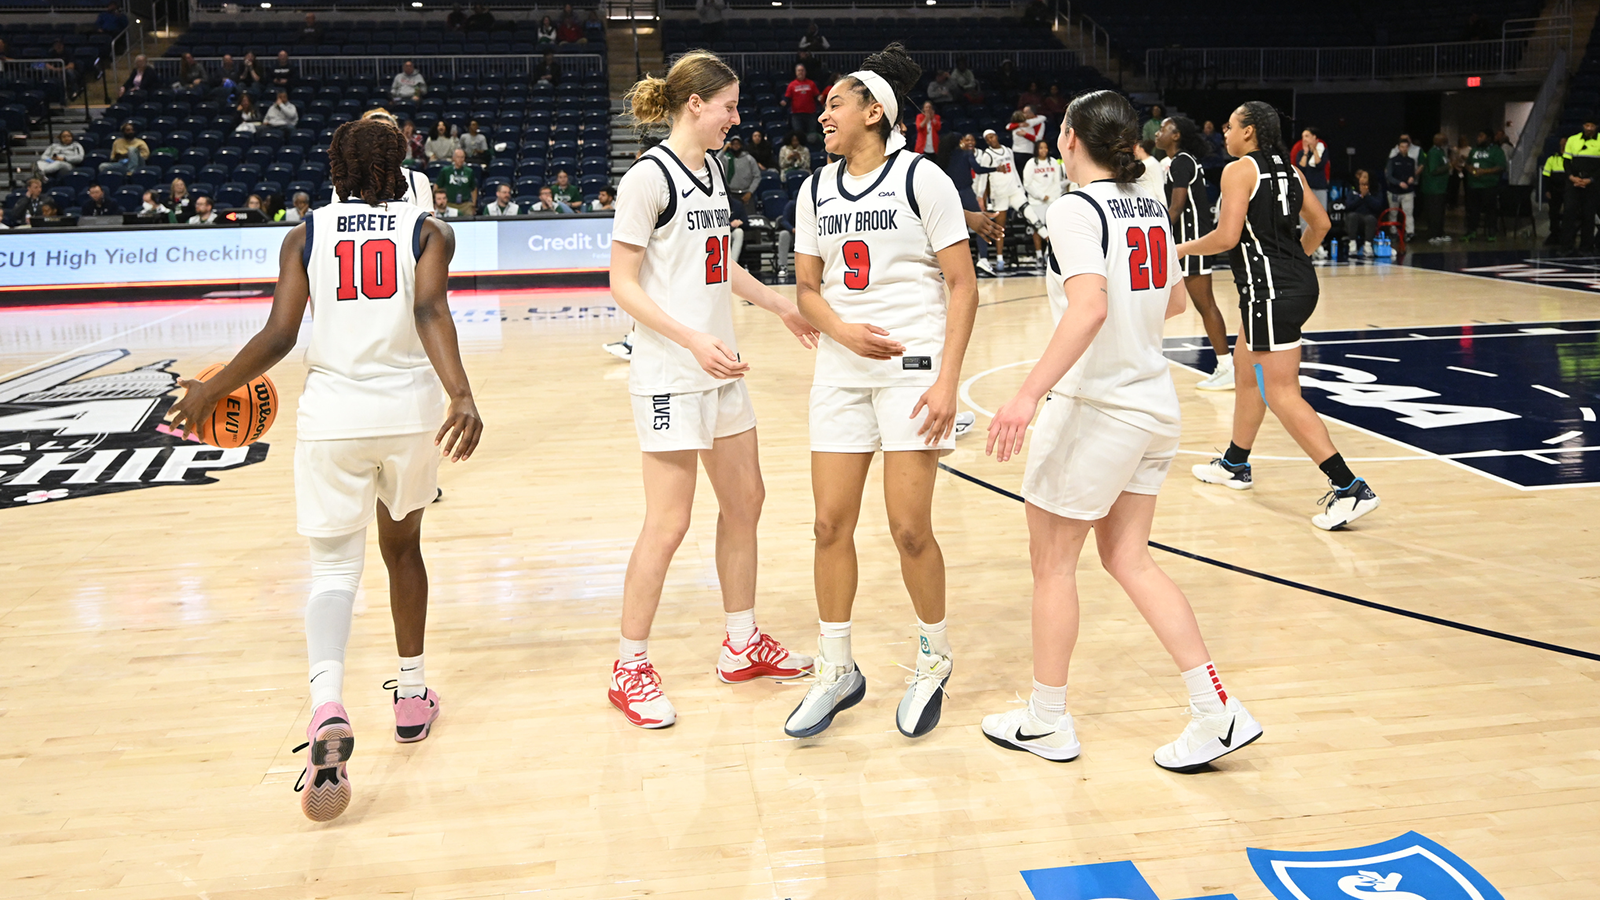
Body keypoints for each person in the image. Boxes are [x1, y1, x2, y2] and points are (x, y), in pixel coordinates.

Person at [167, 117, 481, 823]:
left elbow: (280, 334)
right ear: (401, 164)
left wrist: (210, 392)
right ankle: (410, 694)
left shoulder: (305, 235)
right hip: (409, 415)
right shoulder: (428, 231)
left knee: (335, 572)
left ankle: (327, 703)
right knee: (404, 548)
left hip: (334, 418)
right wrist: (461, 392)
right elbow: (431, 309)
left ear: (334, 168)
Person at [979, 88, 1262, 772]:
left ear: (1070, 138)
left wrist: (1025, 394)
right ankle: (1216, 710)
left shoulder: (1074, 209)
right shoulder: (1147, 202)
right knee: (1128, 559)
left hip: (1096, 409)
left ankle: (1047, 720)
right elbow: (1167, 302)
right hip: (1153, 404)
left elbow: (1088, 309)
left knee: (1053, 567)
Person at [607, 50, 820, 729]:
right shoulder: (649, 177)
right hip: (673, 372)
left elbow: (718, 264)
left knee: (747, 500)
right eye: (727, 106)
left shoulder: (715, 171)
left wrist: (777, 304)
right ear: (693, 104)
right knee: (668, 523)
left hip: (720, 368)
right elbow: (621, 284)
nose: (736, 117)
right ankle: (629, 665)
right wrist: (692, 339)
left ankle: (740, 641)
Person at [782, 43, 978, 741]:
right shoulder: (812, 189)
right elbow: (805, 289)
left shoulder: (923, 179)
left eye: (834, 103)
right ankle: (837, 668)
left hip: (913, 369)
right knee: (828, 525)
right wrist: (839, 328)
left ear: (875, 111)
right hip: (840, 368)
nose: (821, 113)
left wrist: (950, 379)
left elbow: (963, 284)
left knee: (908, 527)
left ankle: (933, 656)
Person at [1178, 101, 1380, 530]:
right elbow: (1321, 224)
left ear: (1249, 131)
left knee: (1282, 392)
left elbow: (1226, 236)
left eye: (1230, 127)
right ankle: (1235, 463)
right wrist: (1293, 266)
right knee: (1245, 369)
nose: (1225, 135)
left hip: (1271, 294)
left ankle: (1349, 489)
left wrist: (1177, 250)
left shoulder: (1239, 171)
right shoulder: (1291, 171)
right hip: (1290, 287)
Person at [1156, 115, 1232, 390]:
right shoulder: (1180, 162)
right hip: (1186, 244)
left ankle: (1227, 366)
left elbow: (1176, 207)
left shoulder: (1182, 161)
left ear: (1176, 136)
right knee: (1163, 303)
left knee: (1205, 304)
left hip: (1191, 244)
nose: (1158, 133)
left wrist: (1158, 239)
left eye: (1164, 129)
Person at [979, 128, 1026, 270]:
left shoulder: (1008, 150)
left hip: (1013, 189)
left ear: (996, 136)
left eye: (992, 137)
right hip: (999, 193)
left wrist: (1020, 187)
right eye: (987, 139)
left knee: (1030, 216)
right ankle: (1000, 259)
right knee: (1000, 227)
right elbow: (983, 177)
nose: (990, 140)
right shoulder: (987, 155)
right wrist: (981, 195)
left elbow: (1014, 170)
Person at [1022, 139, 1065, 264]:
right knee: (1037, 228)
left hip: (1052, 199)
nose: (1043, 150)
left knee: (1053, 227)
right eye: (1041, 148)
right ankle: (1038, 255)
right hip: (1037, 201)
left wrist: (1055, 197)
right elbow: (1027, 184)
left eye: (1045, 148)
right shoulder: (1031, 163)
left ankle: (1049, 253)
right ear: (1036, 150)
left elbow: (1057, 182)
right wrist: (1040, 195)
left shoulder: (1053, 162)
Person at [1561, 120, 1600, 252]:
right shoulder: (1573, 140)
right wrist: (1572, 177)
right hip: (1574, 181)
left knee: (1588, 215)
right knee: (1569, 212)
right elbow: (1566, 162)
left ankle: (1586, 247)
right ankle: (1566, 246)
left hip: (1592, 183)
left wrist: (1591, 179)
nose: (1589, 128)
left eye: (1592, 126)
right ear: (1583, 126)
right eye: (1587, 125)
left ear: (1596, 127)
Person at [1463, 129, 1505, 241]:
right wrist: (1470, 169)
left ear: (1489, 138)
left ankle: (1492, 233)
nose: (1478, 138)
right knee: (1472, 210)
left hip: (1489, 185)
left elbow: (1500, 167)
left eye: (1481, 136)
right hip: (1473, 185)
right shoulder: (1474, 150)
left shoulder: (1497, 151)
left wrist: (1484, 172)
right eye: (1478, 136)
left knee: (1490, 210)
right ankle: (1471, 231)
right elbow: (1467, 164)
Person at [1420, 133, 1452, 243]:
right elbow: (1433, 170)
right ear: (1437, 141)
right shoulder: (1433, 153)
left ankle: (1440, 233)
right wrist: (1448, 166)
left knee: (1440, 212)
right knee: (1434, 213)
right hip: (1433, 189)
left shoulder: (1441, 152)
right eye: (1444, 140)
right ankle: (1433, 235)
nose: (1446, 143)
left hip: (1441, 188)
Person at [1345, 169, 1385, 257]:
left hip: (1369, 216)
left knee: (1370, 219)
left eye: (1365, 177)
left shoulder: (1376, 190)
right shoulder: (1353, 189)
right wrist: (1360, 197)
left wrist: (1367, 196)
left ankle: (1367, 246)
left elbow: (1378, 206)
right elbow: (1348, 206)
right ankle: (1352, 245)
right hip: (1356, 217)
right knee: (1352, 216)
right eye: (1361, 177)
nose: (1362, 179)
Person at [1385, 137, 1417, 239]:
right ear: (1398, 148)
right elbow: (1389, 176)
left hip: (1408, 191)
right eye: (1402, 147)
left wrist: (1412, 178)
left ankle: (1410, 232)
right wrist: (1399, 183)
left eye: (1406, 147)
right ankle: (1393, 232)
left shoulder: (1411, 161)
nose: (1404, 149)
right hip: (1394, 191)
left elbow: (1412, 173)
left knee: (1408, 213)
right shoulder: (1392, 161)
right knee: (1393, 212)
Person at [783, 64, 821, 145]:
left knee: (812, 135)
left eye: (802, 70)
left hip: (810, 113)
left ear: (805, 72)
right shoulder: (792, 85)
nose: (801, 72)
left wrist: (820, 98)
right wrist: (784, 102)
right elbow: (787, 97)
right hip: (797, 114)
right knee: (798, 135)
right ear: (796, 72)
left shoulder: (811, 83)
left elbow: (817, 95)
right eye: (799, 71)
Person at [719, 136, 760, 205]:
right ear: (730, 146)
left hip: (747, 194)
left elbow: (757, 176)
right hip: (731, 194)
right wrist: (724, 149)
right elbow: (716, 161)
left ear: (741, 145)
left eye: (738, 144)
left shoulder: (749, 158)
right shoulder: (727, 158)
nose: (736, 146)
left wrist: (750, 192)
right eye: (733, 144)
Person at [436, 148, 477, 216]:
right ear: (453, 158)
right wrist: (436, 202)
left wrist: (473, 204)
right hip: (450, 203)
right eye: (458, 157)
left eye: (462, 157)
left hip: (465, 204)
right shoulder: (445, 171)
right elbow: (437, 186)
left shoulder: (469, 171)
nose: (460, 159)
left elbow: (474, 189)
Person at [1009, 104, 1048, 173]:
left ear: (1031, 113)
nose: (1024, 114)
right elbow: (1008, 126)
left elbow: (1038, 139)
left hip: (1029, 151)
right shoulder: (1021, 123)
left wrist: (1025, 134)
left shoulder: (1037, 123)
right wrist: (1019, 125)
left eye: (1025, 112)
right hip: (1017, 152)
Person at [1541, 145, 1564, 247]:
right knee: (1553, 213)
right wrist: (1547, 189)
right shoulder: (1551, 159)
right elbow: (1546, 175)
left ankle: (1567, 235)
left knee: (1571, 213)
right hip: (1555, 190)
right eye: (1561, 144)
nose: (1563, 146)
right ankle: (1554, 234)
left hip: (1569, 190)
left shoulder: (1573, 159)